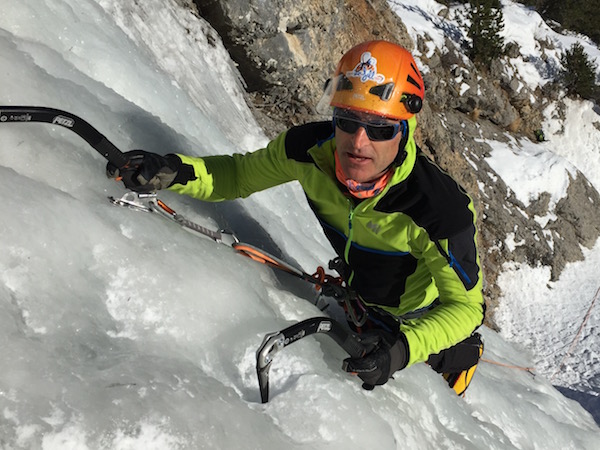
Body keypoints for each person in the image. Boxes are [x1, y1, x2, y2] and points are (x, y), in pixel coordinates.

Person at [109, 40, 485, 396]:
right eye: (347, 121)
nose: (358, 142)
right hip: (361, 294)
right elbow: (237, 176)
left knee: (432, 361)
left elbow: (467, 307)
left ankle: (462, 356)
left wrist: (404, 349)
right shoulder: (308, 151)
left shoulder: (437, 210)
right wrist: (174, 172)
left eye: (380, 128)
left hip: (419, 315)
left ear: (404, 131)